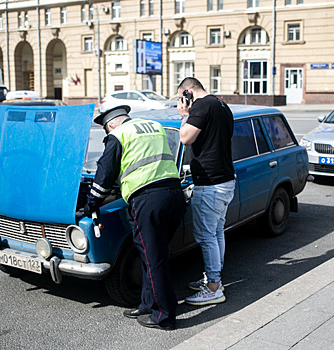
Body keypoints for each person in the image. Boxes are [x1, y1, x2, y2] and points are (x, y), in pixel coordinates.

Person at [84, 105, 185, 331]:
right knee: (152, 257)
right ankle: (147, 305)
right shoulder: (155, 127)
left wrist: (92, 203)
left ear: (110, 125)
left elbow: (105, 173)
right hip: (174, 196)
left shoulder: (118, 135)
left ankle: (164, 316)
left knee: (154, 260)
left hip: (148, 200)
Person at [176, 77, 235, 306]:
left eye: (182, 98)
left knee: (206, 235)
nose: (182, 102)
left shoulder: (200, 106)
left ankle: (213, 287)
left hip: (210, 183)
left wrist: (184, 114)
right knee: (217, 231)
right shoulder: (222, 105)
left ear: (188, 93)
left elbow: (184, 138)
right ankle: (215, 279)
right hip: (225, 179)